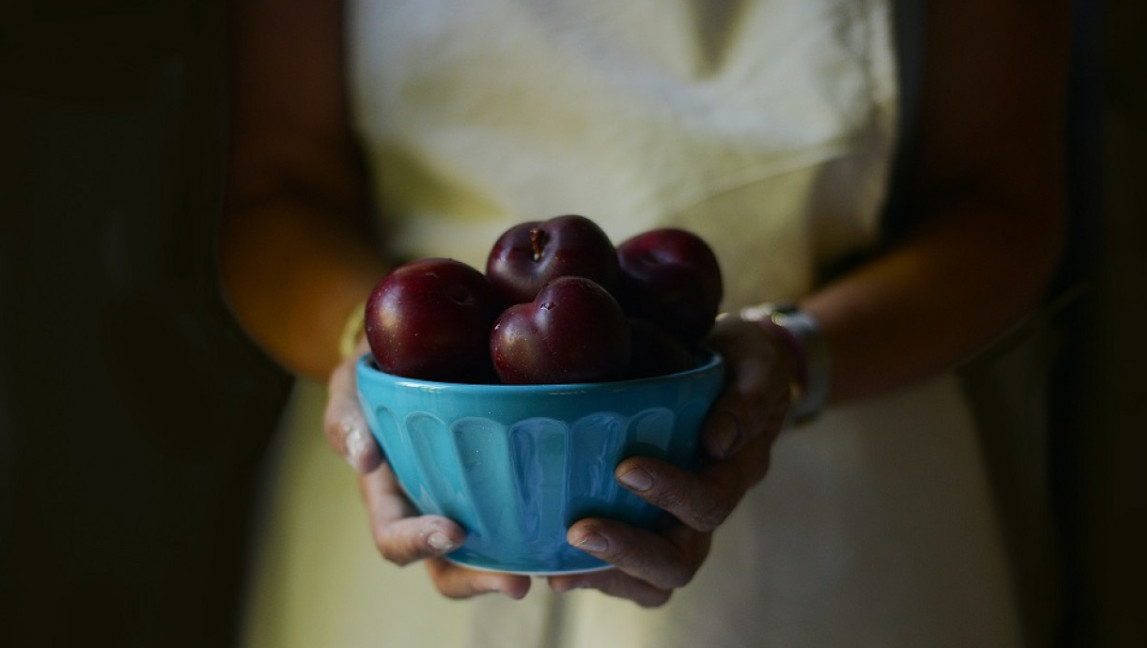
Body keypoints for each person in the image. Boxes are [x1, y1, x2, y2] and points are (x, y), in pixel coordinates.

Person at [220, 0, 1069, 645]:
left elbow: (1004, 203)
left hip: (831, 507)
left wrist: (796, 353)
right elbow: (274, 193)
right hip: (428, 474)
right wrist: (365, 366)